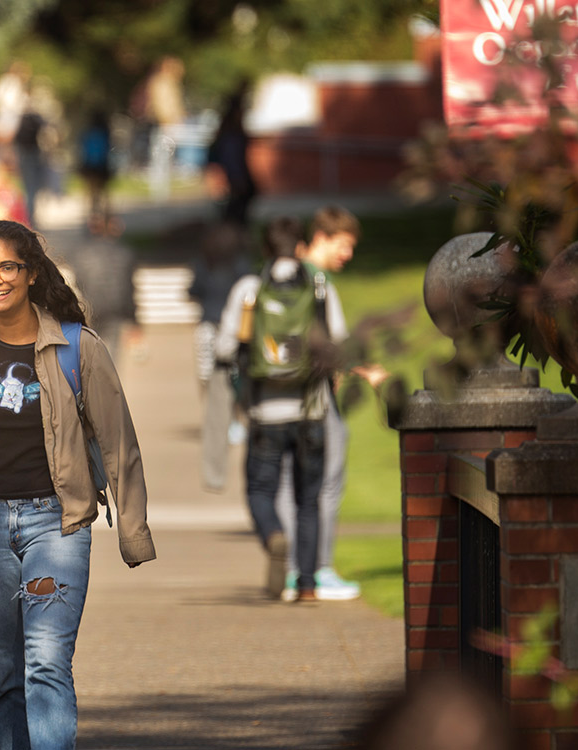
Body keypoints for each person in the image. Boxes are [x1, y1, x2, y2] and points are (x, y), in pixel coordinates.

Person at [0, 219, 156, 750]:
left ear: (33, 273)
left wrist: (133, 531)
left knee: (45, 664)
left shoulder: (77, 348)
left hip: (56, 529)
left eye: (7, 267)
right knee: (0, 679)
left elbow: (119, 446)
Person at [214, 216, 347, 602]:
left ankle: (273, 534)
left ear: (265, 249)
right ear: (302, 247)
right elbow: (338, 342)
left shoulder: (250, 290)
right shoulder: (320, 287)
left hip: (264, 412)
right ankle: (307, 584)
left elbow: (225, 348)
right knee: (309, 498)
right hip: (312, 410)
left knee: (259, 489)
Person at [273, 205, 363, 601]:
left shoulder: (279, 275)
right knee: (326, 481)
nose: (348, 255)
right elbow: (335, 345)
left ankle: (294, 569)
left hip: (280, 396)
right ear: (322, 238)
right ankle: (318, 568)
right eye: (344, 245)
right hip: (316, 396)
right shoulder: (319, 283)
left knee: (290, 480)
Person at [190, 222, 253, 492]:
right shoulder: (244, 267)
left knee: (213, 396)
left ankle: (215, 475)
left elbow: (192, 292)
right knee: (247, 395)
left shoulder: (204, 264)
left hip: (209, 331)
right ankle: (238, 422)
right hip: (240, 336)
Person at [68, 214, 141, 365]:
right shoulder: (125, 253)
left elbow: (78, 281)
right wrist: (134, 319)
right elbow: (129, 288)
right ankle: (109, 384)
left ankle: (93, 385)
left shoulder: (81, 254)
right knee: (112, 355)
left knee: (90, 352)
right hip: (116, 307)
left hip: (91, 306)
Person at [204, 81, 258, 226]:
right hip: (234, 180)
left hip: (235, 179)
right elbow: (231, 159)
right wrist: (237, 179)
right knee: (234, 213)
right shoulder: (231, 137)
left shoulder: (229, 134)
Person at [142, 56, 186, 200]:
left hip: (167, 123)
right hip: (164, 124)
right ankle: (159, 190)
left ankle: (161, 189)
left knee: (164, 156)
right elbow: (163, 106)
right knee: (160, 155)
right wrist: (167, 122)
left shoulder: (167, 83)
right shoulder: (162, 83)